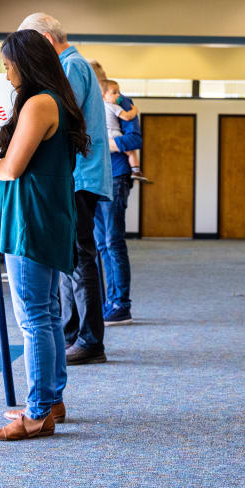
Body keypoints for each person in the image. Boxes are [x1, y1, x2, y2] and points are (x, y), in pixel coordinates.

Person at [0, 29, 90, 441]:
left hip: (31, 219)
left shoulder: (38, 103)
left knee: (34, 318)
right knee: (46, 314)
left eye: (9, 64)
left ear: (27, 63)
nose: (6, 72)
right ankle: (50, 402)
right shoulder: (57, 102)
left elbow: (11, 170)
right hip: (47, 214)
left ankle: (36, 413)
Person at [18, 13, 111, 365]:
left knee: (78, 257)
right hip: (78, 175)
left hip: (77, 176)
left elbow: (56, 120)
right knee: (72, 257)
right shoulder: (75, 66)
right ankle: (75, 333)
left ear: (45, 38)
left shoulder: (69, 68)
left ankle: (87, 338)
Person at [96, 66, 142, 326]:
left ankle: (120, 304)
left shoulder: (121, 102)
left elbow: (134, 140)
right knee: (101, 243)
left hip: (116, 175)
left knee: (113, 241)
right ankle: (109, 301)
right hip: (92, 178)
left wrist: (105, 145)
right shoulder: (88, 103)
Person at [102, 78, 149, 182]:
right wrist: (135, 110)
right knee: (131, 152)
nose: (118, 95)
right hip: (114, 135)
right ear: (104, 95)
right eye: (114, 93)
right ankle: (136, 170)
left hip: (105, 135)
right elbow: (127, 117)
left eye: (118, 92)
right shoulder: (114, 106)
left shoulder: (99, 107)